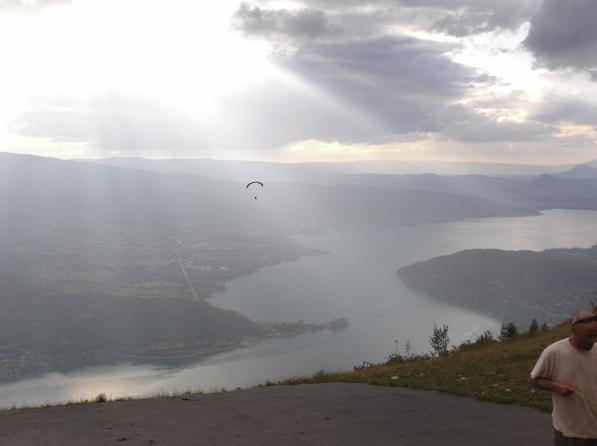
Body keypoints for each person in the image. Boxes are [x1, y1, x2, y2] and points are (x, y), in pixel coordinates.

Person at [530, 310, 597, 445]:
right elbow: (534, 380)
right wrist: (556, 386)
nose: (593, 340)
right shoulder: (554, 351)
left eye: (595, 336)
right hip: (570, 431)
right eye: (589, 336)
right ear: (574, 330)